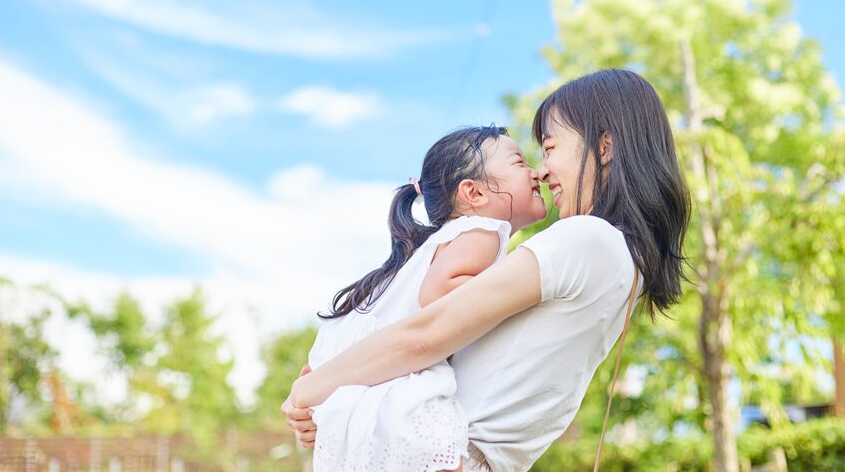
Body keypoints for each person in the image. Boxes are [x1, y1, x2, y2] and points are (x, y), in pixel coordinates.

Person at [284, 69, 692, 472]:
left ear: (604, 147)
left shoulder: (588, 238)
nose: (542, 170)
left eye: (550, 148)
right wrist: (339, 401)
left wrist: (308, 391)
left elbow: (425, 335)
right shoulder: (622, 261)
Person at [302, 125, 547, 471]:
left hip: (355, 369)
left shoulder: (443, 240)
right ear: (473, 192)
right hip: (396, 373)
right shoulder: (485, 230)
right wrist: (513, 300)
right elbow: (438, 290)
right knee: (437, 443)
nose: (535, 172)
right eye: (519, 162)